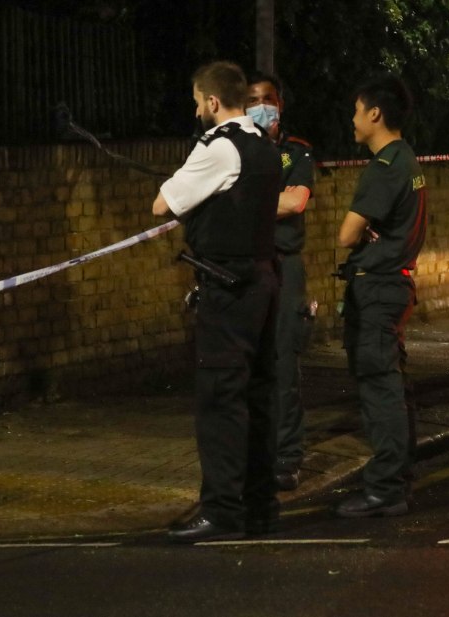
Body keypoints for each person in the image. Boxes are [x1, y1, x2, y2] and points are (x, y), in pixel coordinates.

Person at [151, 61, 282, 543]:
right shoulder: (265, 147)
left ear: (211, 102)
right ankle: (260, 507)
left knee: (220, 399)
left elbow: (163, 204)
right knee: (258, 397)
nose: (195, 108)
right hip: (265, 280)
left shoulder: (220, 146)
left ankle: (222, 509)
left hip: (229, 288)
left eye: (196, 100)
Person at [334, 73, 428, 518]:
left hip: (378, 286)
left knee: (379, 388)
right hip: (395, 283)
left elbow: (345, 235)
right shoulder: (407, 159)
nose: (352, 120)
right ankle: (397, 479)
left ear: (374, 113)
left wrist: (361, 234)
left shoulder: (385, 166)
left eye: (357, 111)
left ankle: (385, 487)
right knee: (392, 385)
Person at [246, 72, 316, 492]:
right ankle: (255, 453)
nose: (260, 106)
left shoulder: (296, 152)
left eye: (267, 98)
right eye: (252, 99)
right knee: (250, 365)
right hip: (249, 267)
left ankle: (288, 456)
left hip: (285, 266)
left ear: (281, 103)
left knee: (284, 365)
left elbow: (296, 201)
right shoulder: (237, 149)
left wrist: (241, 204)